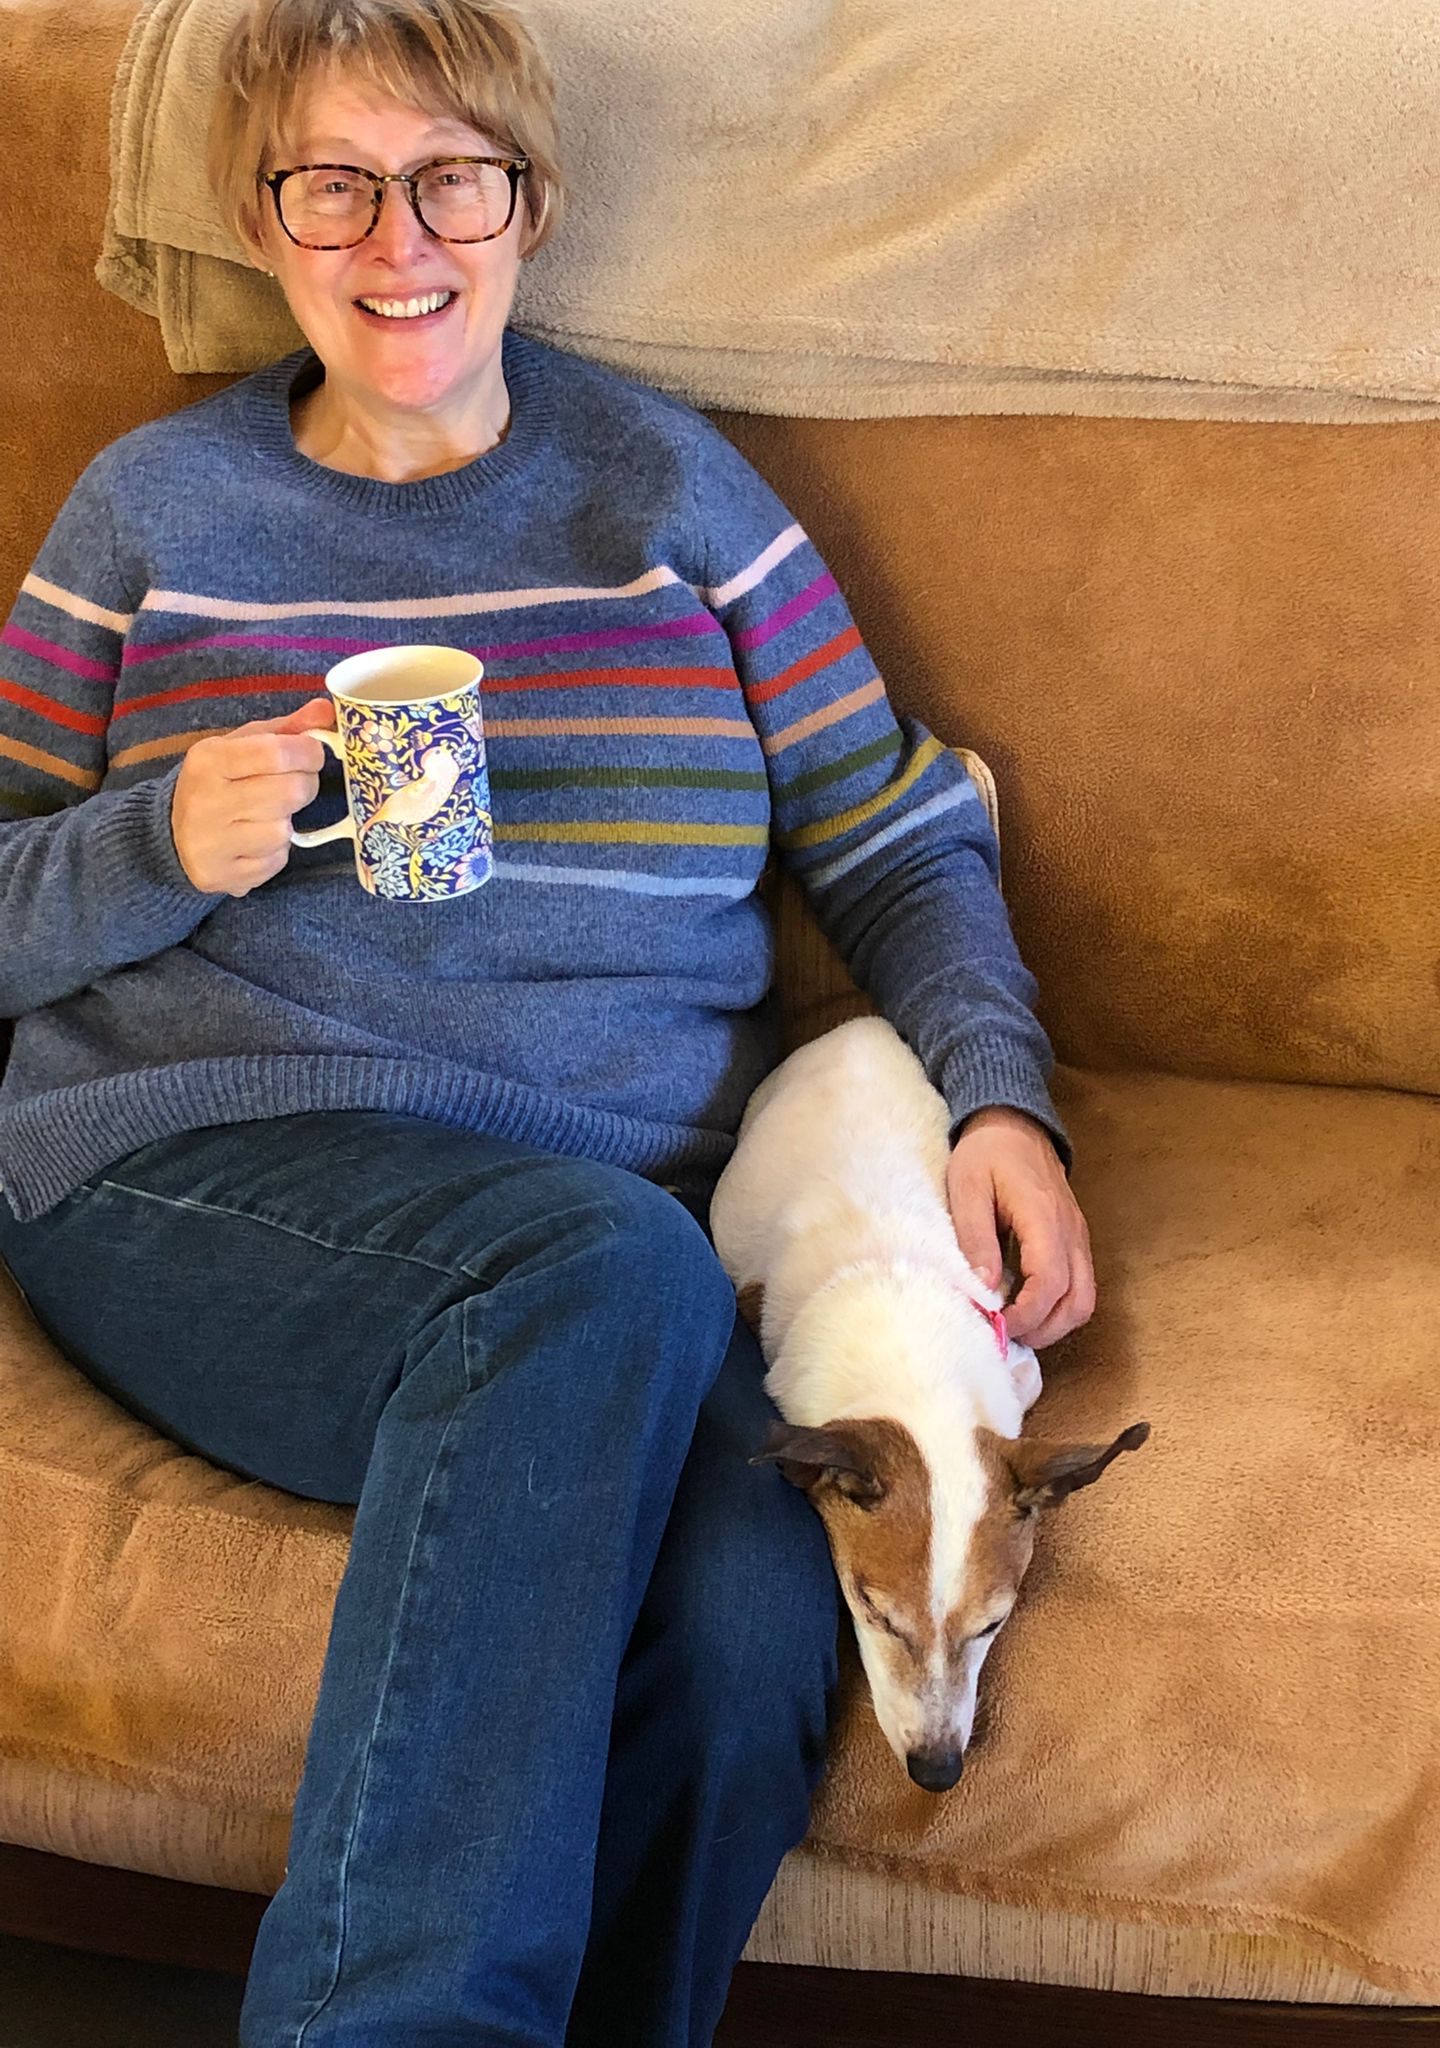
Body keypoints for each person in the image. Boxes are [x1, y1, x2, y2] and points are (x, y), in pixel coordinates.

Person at [0, 0, 1095, 2040]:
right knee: (600, 1271)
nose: (396, 238)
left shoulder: (676, 494)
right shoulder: (149, 514)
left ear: (532, 206)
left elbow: (892, 836)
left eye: (451, 180)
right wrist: (154, 844)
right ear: (259, 221)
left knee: (755, 1621)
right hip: (195, 1161)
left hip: (608, 1242)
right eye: (332, 185)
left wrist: (1000, 1101)